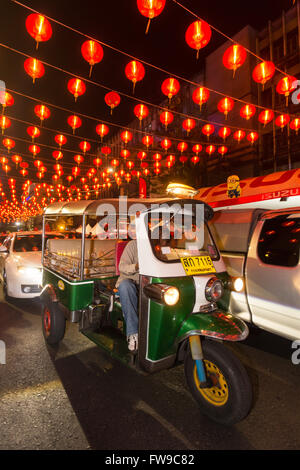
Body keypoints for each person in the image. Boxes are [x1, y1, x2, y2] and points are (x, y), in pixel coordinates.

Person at [115, 239, 139, 352]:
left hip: (147, 284)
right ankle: (133, 333)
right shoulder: (134, 244)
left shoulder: (158, 248)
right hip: (130, 284)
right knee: (126, 286)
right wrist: (136, 266)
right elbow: (122, 267)